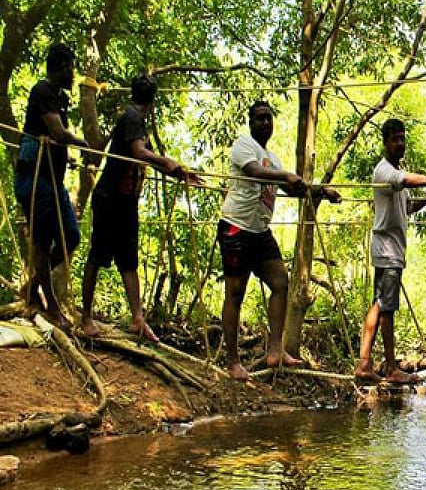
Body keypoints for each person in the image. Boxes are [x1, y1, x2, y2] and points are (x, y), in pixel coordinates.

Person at [218, 100, 340, 380]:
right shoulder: (244, 146)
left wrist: (321, 191)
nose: (265, 123)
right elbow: (255, 173)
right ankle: (233, 361)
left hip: (260, 232)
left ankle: (275, 350)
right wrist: (285, 174)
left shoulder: (273, 158)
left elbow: (292, 189)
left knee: (280, 283)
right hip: (236, 228)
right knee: (235, 293)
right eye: (260, 119)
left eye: (268, 119)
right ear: (251, 122)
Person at [81, 73, 197, 342]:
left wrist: (177, 172)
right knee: (98, 256)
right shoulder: (132, 117)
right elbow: (140, 153)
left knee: (128, 260)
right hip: (110, 199)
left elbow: (146, 158)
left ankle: (138, 319)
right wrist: (169, 162)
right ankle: (85, 317)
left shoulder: (134, 119)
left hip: (124, 202)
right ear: (152, 101)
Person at [354, 119, 426, 385]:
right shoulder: (384, 172)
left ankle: (364, 364)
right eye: (395, 139)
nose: (400, 144)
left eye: (402, 139)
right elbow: (405, 181)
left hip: (390, 248)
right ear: (385, 142)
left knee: (379, 304)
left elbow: (407, 206)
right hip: (387, 249)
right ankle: (390, 366)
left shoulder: (395, 173)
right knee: (387, 308)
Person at [14, 43, 87, 330]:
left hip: (53, 182)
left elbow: (55, 138)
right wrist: (83, 144)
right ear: (59, 67)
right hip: (35, 180)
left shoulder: (58, 98)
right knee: (43, 242)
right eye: (70, 66)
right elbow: (56, 132)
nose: (73, 72)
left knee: (71, 236)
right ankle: (51, 308)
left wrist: (66, 156)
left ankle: (34, 284)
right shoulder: (42, 92)